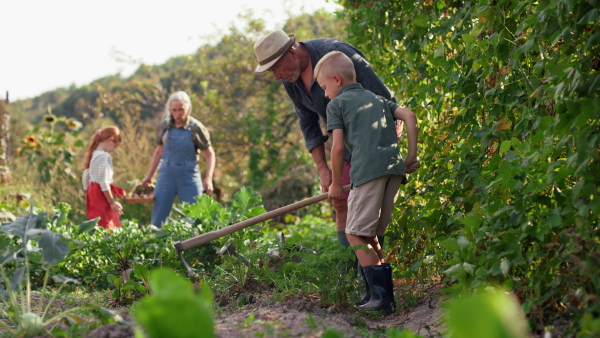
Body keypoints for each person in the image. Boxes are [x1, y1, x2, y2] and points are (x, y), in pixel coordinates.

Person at [253, 29, 402, 251]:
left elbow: (385, 100)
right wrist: (323, 170)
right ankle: (349, 269)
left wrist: (386, 152)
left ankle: (370, 271)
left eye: (275, 68)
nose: (276, 76)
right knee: (341, 203)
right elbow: (308, 123)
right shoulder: (290, 79)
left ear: (292, 53)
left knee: (370, 212)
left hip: (371, 144)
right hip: (343, 146)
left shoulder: (338, 54)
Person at [314, 51, 419, 314]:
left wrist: (336, 183)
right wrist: (411, 156)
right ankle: (378, 297)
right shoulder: (378, 99)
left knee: (353, 234)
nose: (326, 94)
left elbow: (337, 149)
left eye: (325, 88)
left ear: (336, 80)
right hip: (394, 170)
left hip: (368, 172)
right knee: (369, 235)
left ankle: (382, 299)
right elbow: (410, 116)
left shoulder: (336, 105)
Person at [141, 91, 216, 227]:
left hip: (188, 176)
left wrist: (208, 178)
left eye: (181, 109)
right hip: (166, 175)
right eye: (174, 110)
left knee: (194, 219)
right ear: (170, 109)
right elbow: (158, 152)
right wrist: (149, 177)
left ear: (188, 108)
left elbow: (209, 154)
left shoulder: (196, 128)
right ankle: (157, 246)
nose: (177, 114)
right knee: (158, 219)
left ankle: (194, 246)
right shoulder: (165, 126)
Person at [82, 126, 126, 230]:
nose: (113, 150)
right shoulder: (103, 156)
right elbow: (103, 181)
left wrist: (87, 189)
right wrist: (112, 202)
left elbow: (86, 174)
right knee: (107, 222)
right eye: (114, 146)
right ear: (110, 140)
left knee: (97, 221)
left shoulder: (94, 154)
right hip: (101, 193)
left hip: (93, 192)